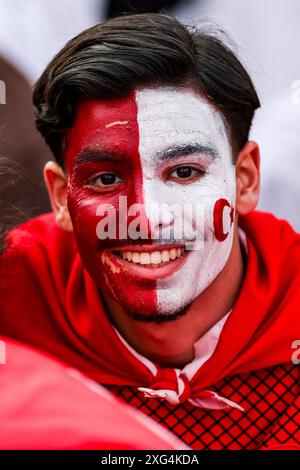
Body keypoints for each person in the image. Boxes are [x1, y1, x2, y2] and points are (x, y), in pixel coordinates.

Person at [1, 13, 300, 450]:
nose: (147, 216)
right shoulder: (11, 297)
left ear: (245, 181)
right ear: (62, 197)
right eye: (106, 178)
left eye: (183, 171)